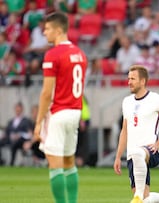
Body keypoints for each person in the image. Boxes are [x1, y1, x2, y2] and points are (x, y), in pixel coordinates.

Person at [32, 12, 87, 203]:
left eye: (47, 29)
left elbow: (47, 93)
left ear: (57, 29)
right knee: (69, 163)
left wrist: (38, 123)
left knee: (55, 166)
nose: (44, 32)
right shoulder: (80, 54)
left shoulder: (53, 54)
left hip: (57, 112)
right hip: (75, 112)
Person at [113, 65, 159, 203]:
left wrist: (158, 144)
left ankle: (138, 197)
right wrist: (118, 156)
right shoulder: (126, 102)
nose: (129, 82)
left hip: (151, 151)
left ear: (143, 81)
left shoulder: (156, 99)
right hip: (133, 157)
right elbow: (125, 131)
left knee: (138, 197)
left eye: (133, 79)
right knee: (146, 199)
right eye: (128, 78)